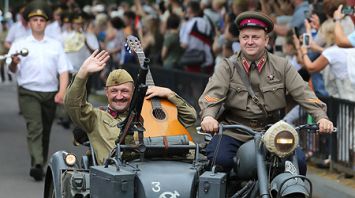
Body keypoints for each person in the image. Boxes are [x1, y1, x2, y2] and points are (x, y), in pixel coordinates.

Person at [198, 11, 334, 175]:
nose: (249, 42)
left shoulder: (281, 66)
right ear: (239, 40)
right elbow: (212, 96)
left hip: (271, 133)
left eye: (255, 37)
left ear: (266, 40)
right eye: (245, 37)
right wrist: (208, 116)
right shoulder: (227, 67)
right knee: (218, 161)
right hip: (234, 132)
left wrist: (321, 117)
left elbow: (305, 93)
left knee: (297, 163)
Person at [64, 50, 197, 165]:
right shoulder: (95, 118)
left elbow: (190, 117)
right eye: (114, 91)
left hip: (156, 170)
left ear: (133, 92)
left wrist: (170, 94)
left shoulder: (147, 112)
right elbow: (73, 105)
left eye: (124, 91)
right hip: (116, 177)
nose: (119, 96)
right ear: (106, 92)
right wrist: (82, 74)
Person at [8, 1, 72, 181]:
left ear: (46, 23)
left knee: (45, 130)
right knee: (35, 127)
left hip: (50, 93)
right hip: (29, 91)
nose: (38, 23)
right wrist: (14, 62)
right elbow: (11, 69)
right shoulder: (20, 44)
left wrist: (62, 91)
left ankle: (40, 162)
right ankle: (36, 163)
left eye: (41, 20)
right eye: (34, 20)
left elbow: (63, 70)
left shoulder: (55, 45)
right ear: (29, 23)